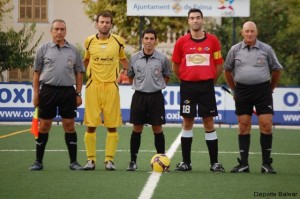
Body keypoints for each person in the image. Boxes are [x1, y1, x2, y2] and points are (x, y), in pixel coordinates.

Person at [224, 21, 283, 174]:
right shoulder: (234, 50)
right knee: (243, 125)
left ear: (257, 32)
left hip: (263, 90)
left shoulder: (266, 49)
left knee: (266, 124)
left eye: (252, 31)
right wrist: (234, 90)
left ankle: (266, 164)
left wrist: (270, 89)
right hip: (242, 91)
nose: (249, 33)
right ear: (242, 33)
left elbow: (276, 69)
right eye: (247, 31)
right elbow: (227, 71)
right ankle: (243, 164)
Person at [172, 8, 225, 172]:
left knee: (208, 122)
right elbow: (175, 65)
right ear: (188, 21)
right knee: (187, 122)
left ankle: (214, 163)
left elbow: (219, 65)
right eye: (192, 18)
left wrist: (209, 81)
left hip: (206, 87)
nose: (195, 21)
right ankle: (186, 162)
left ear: (202, 20)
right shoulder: (181, 42)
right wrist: (185, 80)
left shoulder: (213, 41)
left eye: (198, 18)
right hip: (187, 87)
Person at [29, 19, 85, 171]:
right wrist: (36, 94)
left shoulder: (73, 50)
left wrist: (78, 93)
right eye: (56, 29)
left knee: (69, 125)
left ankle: (73, 162)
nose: (59, 32)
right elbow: (36, 74)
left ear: (66, 31)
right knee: (44, 125)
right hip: (47, 91)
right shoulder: (43, 49)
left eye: (62, 29)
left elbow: (79, 73)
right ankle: (38, 162)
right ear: (51, 31)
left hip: (67, 92)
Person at [82, 11, 128, 171]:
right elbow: (86, 60)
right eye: (101, 22)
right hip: (93, 86)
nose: (104, 24)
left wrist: (132, 74)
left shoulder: (118, 41)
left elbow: (123, 60)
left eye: (107, 22)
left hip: (111, 87)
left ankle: (109, 160)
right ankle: (90, 160)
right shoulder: (89, 41)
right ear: (97, 24)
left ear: (111, 24)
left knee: (112, 125)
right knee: (91, 125)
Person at [126, 28, 172, 171]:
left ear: (155, 41)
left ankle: (162, 159)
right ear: (142, 40)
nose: (149, 41)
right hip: (139, 96)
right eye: (146, 38)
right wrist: (140, 85)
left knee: (157, 128)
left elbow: (167, 75)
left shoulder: (162, 59)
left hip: (155, 97)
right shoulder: (134, 58)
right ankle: (133, 161)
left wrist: (157, 85)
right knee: (137, 128)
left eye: (152, 39)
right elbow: (130, 76)